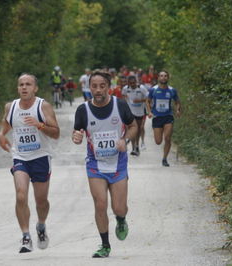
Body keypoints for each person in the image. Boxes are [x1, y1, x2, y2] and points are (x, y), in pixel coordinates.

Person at [72, 71, 137, 258]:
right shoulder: (83, 110)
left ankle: (121, 219)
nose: (98, 90)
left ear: (108, 87)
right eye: (94, 86)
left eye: (102, 86)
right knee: (100, 205)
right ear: (89, 87)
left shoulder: (120, 105)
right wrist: (76, 137)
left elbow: (134, 126)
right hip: (95, 165)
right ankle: (105, 245)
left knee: (119, 208)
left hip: (118, 165)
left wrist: (125, 140)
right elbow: (77, 133)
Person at [0, 73, 60, 253]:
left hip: (40, 157)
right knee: (20, 195)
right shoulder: (11, 107)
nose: (24, 87)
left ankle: (41, 226)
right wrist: (2, 136)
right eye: (21, 84)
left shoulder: (43, 106)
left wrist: (39, 124)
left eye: (28, 84)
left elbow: (56, 133)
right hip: (20, 157)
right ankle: (25, 236)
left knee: (41, 201)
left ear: (35, 88)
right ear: (18, 88)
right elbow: (6, 127)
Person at [146, 70, 181, 167]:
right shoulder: (153, 90)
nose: (163, 77)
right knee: (158, 141)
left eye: (165, 76)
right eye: (161, 76)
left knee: (167, 138)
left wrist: (178, 110)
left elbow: (177, 102)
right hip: (157, 117)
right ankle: (164, 156)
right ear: (158, 78)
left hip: (168, 116)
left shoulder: (172, 90)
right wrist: (149, 112)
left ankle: (165, 158)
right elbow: (147, 101)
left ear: (168, 78)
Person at [122, 76, 149, 156]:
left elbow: (148, 99)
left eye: (134, 83)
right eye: (131, 83)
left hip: (140, 112)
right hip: (131, 112)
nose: (132, 84)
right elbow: (123, 96)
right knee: (132, 129)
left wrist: (140, 101)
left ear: (136, 82)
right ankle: (134, 147)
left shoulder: (142, 88)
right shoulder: (126, 88)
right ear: (128, 83)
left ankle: (137, 144)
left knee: (138, 130)